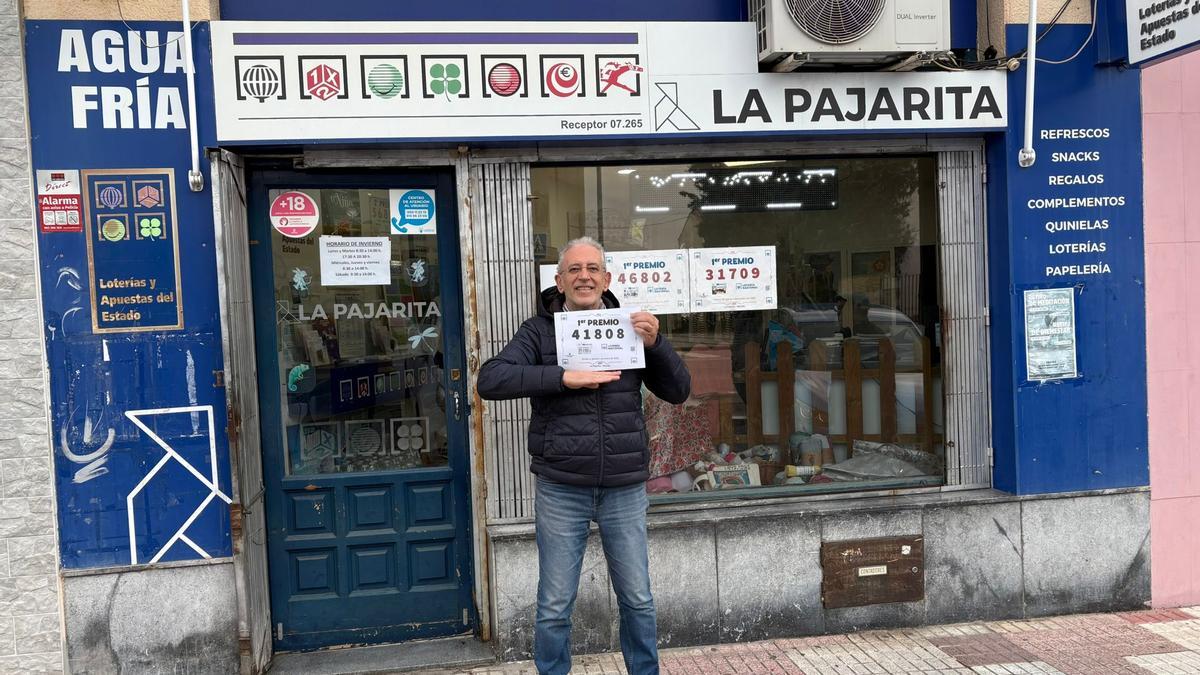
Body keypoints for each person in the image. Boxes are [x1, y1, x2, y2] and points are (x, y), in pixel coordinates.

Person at [477, 236, 691, 675]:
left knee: (638, 598)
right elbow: (491, 380)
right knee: (555, 603)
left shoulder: (630, 327)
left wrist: (657, 345)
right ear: (558, 281)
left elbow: (678, 390)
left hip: (624, 485)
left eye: (592, 268)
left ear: (607, 278)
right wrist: (561, 377)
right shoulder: (538, 331)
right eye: (574, 270)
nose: (584, 277)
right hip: (561, 485)